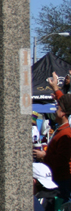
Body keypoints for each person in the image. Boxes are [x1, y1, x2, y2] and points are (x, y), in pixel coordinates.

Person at [36, 72, 71, 201]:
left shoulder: (65, 134)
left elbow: (62, 160)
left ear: (63, 113)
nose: (54, 110)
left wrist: (44, 156)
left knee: (60, 207)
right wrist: (55, 88)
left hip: (61, 179)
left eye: (57, 108)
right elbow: (66, 103)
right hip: (58, 177)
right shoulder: (62, 129)